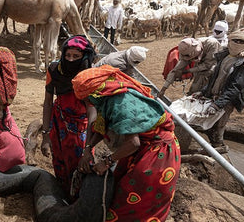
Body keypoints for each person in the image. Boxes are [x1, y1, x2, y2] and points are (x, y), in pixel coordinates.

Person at [72, 64, 180, 222]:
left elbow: (133, 143)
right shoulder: (108, 96)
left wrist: (106, 162)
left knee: (133, 201)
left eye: (86, 98)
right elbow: (101, 127)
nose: (88, 103)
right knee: (120, 189)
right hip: (142, 149)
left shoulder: (120, 103)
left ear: (94, 93)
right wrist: (88, 149)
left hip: (157, 154)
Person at [40, 35, 97, 200]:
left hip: (81, 129)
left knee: (81, 164)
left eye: (76, 56)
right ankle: (64, 198)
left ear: (84, 58)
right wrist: (45, 134)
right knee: (59, 161)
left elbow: (92, 111)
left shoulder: (89, 77)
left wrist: (88, 146)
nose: (70, 59)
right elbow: (48, 103)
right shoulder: (54, 70)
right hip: (59, 123)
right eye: (68, 55)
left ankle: (79, 202)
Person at [194, 30, 244, 147]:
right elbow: (214, 78)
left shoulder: (243, 63)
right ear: (229, 41)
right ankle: (211, 148)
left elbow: (235, 87)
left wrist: (218, 104)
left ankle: (219, 153)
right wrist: (203, 92)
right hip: (214, 96)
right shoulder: (225, 56)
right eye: (235, 41)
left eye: (241, 42)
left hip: (227, 101)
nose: (237, 43)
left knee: (219, 127)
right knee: (209, 124)